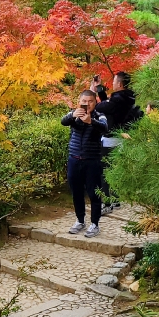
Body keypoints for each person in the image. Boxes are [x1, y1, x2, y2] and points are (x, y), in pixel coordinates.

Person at [61, 90, 108, 237]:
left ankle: (95, 224)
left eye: (90, 101)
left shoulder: (99, 116)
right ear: (79, 101)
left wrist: (91, 122)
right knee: (76, 192)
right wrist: (73, 115)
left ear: (95, 102)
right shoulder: (74, 114)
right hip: (74, 159)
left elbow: (105, 128)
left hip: (92, 161)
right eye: (84, 101)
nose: (87, 104)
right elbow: (63, 121)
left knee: (94, 193)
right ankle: (80, 220)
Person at [95, 71, 142, 215]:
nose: (113, 84)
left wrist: (100, 93)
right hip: (123, 139)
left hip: (111, 139)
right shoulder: (130, 98)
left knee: (105, 172)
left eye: (115, 82)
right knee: (115, 170)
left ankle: (107, 203)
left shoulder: (117, 99)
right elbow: (109, 108)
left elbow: (101, 107)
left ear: (120, 84)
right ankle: (116, 199)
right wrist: (101, 92)